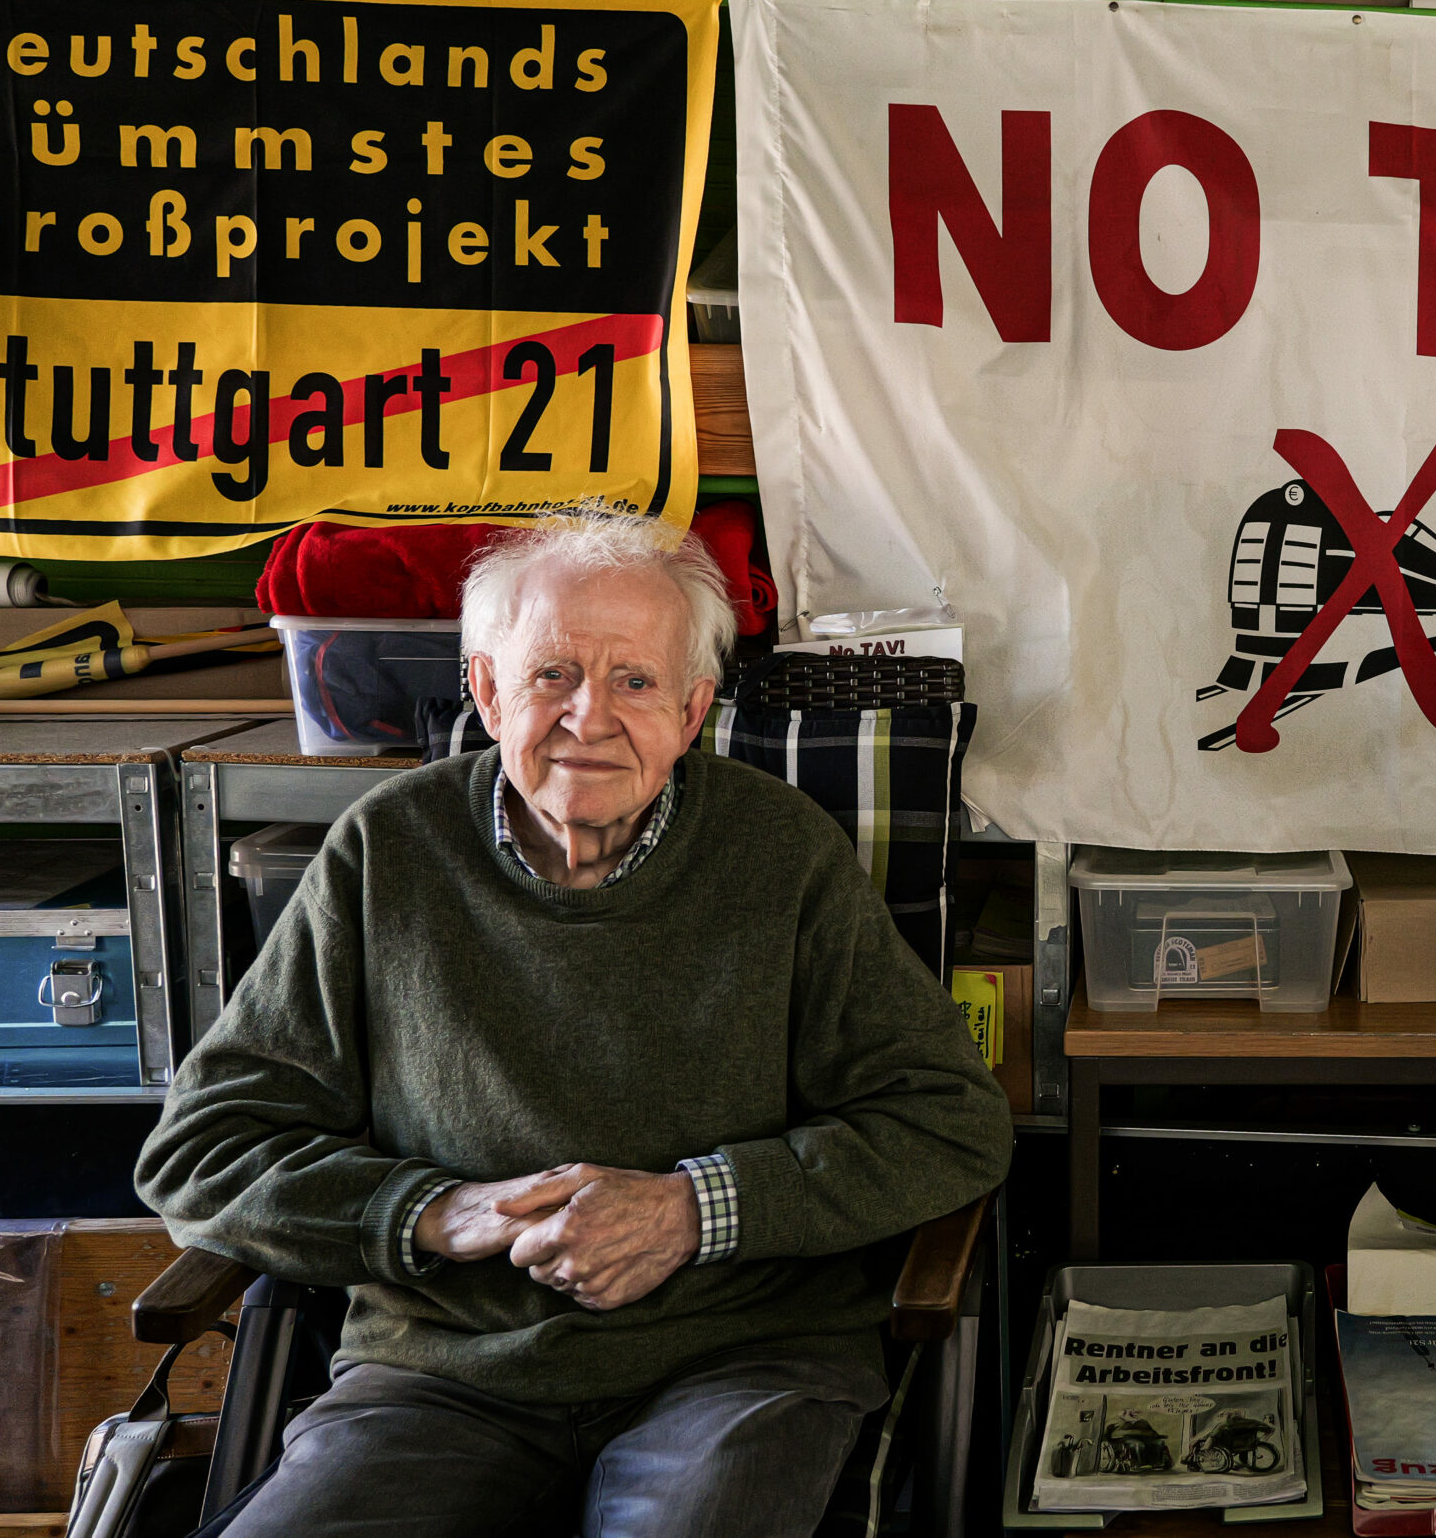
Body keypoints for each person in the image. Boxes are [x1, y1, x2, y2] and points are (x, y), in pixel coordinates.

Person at [137, 509, 1013, 1538]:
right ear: (487, 689)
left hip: (737, 1362)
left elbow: (948, 1120)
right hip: (442, 1376)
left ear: (691, 711)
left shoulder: (781, 853)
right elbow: (202, 1153)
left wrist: (693, 1210)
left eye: (635, 681)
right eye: (551, 673)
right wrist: (436, 1212)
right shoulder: (390, 850)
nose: (589, 716)